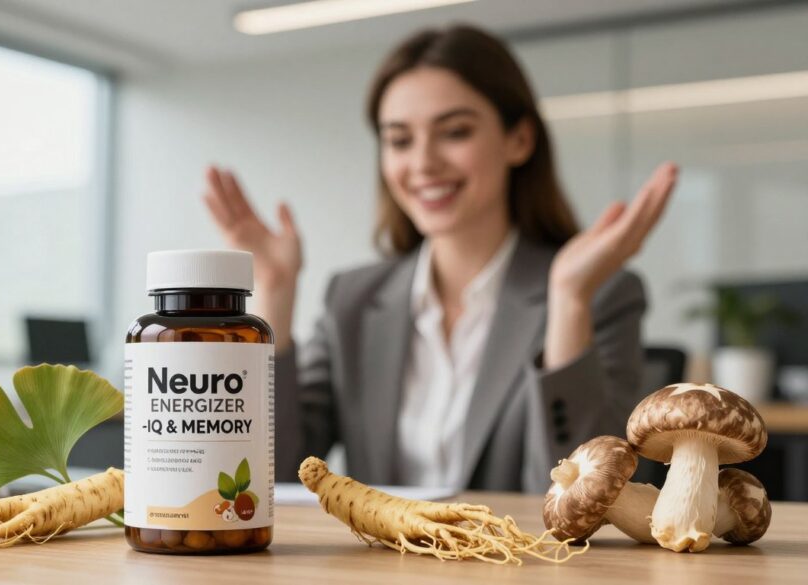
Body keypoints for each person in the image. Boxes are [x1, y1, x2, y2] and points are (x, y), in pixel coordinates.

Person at [203, 25, 676, 492]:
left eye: (454, 132)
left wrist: (569, 301)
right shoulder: (352, 299)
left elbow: (583, 498)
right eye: (400, 140)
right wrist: (274, 291)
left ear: (519, 140)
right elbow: (269, 477)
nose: (423, 162)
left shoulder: (600, 294)